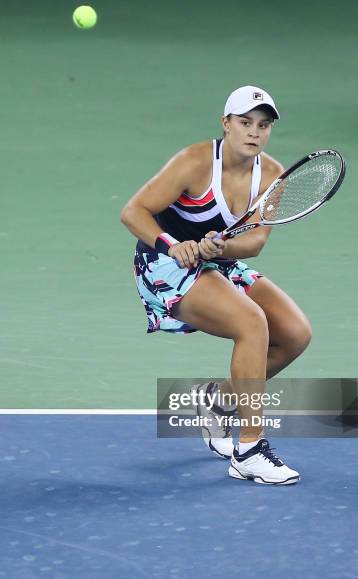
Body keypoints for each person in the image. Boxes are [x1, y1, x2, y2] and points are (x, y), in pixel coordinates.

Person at [121, 85, 312, 485]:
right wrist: (174, 246)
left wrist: (220, 245)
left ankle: (218, 401)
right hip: (162, 264)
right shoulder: (194, 161)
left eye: (263, 125)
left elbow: (255, 243)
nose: (254, 132)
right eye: (245, 123)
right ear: (226, 124)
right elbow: (133, 211)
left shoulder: (273, 176)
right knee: (251, 323)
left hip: (217, 261)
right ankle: (250, 448)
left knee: (295, 334)